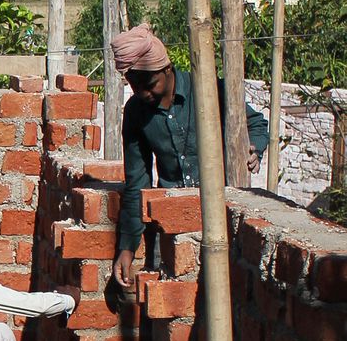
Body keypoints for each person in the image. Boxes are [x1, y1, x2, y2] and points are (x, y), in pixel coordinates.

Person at [110, 23, 270, 291]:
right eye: (134, 86)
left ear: (167, 69)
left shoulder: (207, 90)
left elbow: (254, 124)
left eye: (149, 85)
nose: (142, 93)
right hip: (171, 222)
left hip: (220, 214)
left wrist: (253, 147)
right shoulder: (137, 111)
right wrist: (127, 245)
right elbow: (138, 180)